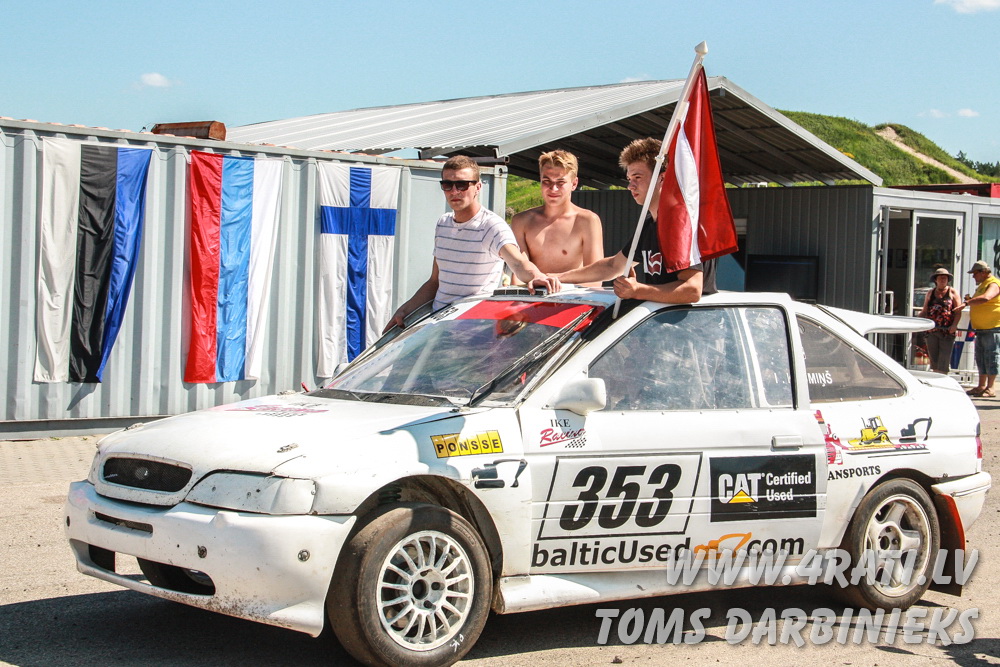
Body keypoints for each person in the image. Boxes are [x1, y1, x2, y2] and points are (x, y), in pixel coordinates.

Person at [385, 156, 558, 331]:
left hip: (474, 329)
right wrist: (404, 310)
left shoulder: (491, 226)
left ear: (478, 187)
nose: (454, 191)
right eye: (447, 185)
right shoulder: (443, 223)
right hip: (439, 327)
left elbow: (518, 262)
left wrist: (537, 276)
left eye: (462, 185)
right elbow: (435, 281)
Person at [538, 137, 715, 303]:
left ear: (662, 178)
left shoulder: (681, 224)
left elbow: (692, 290)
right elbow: (613, 266)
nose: (630, 186)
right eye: (629, 179)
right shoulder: (650, 224)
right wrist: (555, 277)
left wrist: (638, 290)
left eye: (638, 177)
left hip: (693, 323)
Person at [511, 150, 604, 286]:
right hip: (532, 295)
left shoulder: (587, 221)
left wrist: (554, 282)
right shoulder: (521, 221)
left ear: (574, 184)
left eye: (560, 182)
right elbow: (518, 273)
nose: (553, 188)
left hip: (574, 296)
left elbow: (595, 278)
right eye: (546, 181)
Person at [963, 260, 1000, 397]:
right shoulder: (983, 285)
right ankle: (981, 386)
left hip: (992, 328)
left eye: (975, 273)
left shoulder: (993, 284)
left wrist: (967, 302)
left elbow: (986, 298)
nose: (973, 276)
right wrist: (970, 299)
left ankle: (991, 388)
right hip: (981, 329)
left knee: (991, 357)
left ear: (983, 272)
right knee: (981, 358)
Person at [918, 267, 963, 374]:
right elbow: (925, 310)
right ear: (936, 280)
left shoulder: (952, 292)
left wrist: (954, 325)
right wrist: (917, 322)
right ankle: (935, 378)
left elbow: (958, 311)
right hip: (932, 331)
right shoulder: (930, 293)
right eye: (940, 278)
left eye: (945, 278)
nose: (943, 280)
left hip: (947, 331)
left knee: (944, 359)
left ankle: (943, 377)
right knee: (934, 359)